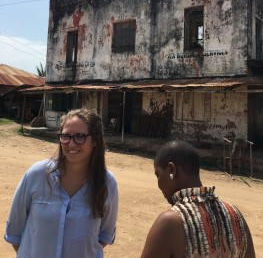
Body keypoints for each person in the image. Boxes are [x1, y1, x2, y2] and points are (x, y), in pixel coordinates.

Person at [4, 108, 118, 258]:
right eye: (65, 136)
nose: (71, 144)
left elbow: (104, 236)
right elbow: (15, 231)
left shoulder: (107, 183)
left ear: (95, 141)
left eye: (79, 137)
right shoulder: (37, 175)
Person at [140, 140, 255, 258]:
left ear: (171, 170)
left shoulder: (170, 222)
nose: (158, 183)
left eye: (158, 174)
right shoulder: (235, 215)